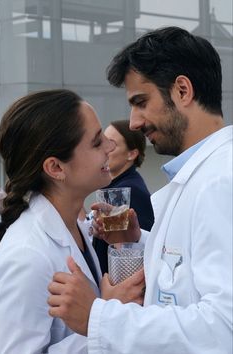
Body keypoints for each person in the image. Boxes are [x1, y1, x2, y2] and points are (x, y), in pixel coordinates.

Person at [47, 26, 233, 354]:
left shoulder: (220, 181)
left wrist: (98, 316)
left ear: (182, 91)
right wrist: (140, 240)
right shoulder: (204, 175)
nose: (133, 122)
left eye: (141, 102)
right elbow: (192, 268)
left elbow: (223, 329)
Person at [0, 89, 145, 353]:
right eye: (97, 142)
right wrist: (106, 318)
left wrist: (129, 243)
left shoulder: (77, 227)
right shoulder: (26, 256)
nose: (110, 147)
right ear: (55, 168)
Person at [93, 119, 154, 274]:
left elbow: (134, 253)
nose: (104, 149)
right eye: (102, 142)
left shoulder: (129, 192)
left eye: (112, 144)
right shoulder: (116, 186)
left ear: (132, 154)